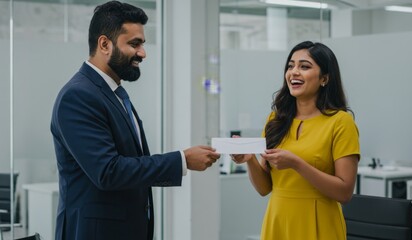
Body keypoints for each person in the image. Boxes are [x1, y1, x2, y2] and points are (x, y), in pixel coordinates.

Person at [50, 1, 220, 240]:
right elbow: (108, 171)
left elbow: (130, 163)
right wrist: (182, 160)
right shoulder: (78, 96)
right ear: (104, 44)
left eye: (142, 44)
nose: (143, 53)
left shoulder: (112, 93)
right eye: (134, 44)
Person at [232, 41, 360, 240]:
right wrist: (250, 159)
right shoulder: (275, 120)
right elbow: (265, 188)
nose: (294, 72)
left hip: (320, 223)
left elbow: (344, 193)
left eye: (304, 66)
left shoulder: (341, 122)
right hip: (278, 220)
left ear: (324, 78)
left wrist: (296, 163)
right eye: (290, 66)